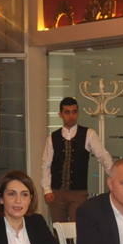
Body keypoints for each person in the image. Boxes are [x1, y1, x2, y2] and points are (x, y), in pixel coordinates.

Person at [40, 96, 114, 224]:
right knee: (59, 229)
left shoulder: (88, 134)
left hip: (78, 193)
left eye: (74, 112)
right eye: (67, 112)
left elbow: (103, 156)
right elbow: (46, 164)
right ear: (60, 114)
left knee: (78, 227)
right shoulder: (53, 137)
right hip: (56, 192)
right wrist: (47, 189)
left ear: (78, 113)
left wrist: (115, 176)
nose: (71, 116)